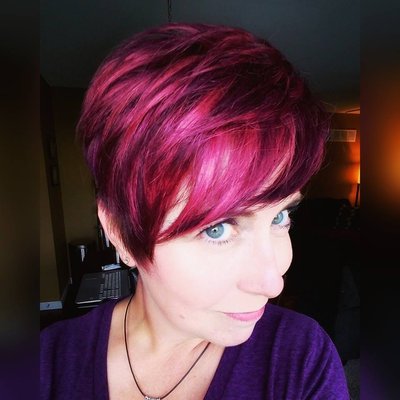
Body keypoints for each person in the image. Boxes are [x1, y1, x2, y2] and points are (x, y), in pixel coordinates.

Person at [40, 23, 350, 399]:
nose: (273, 283)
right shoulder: (44, 367)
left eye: (281, 216)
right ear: (120, 233)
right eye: (218, 228)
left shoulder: (301, 360)